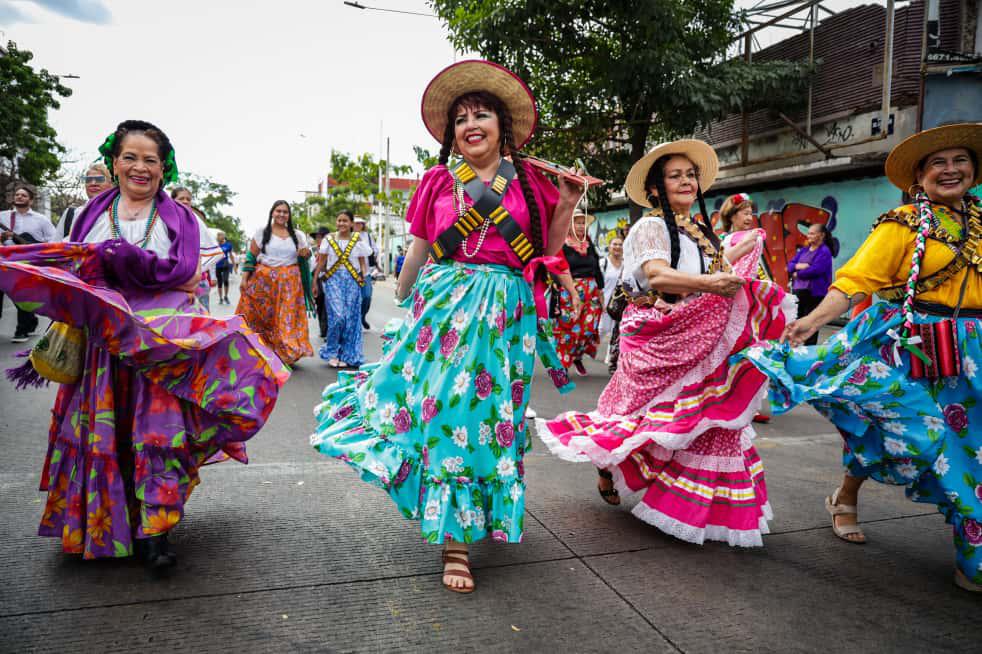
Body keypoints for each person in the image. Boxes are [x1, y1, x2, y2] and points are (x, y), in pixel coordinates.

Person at [310, 60, 579, 594]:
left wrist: (567, 204)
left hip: (507, 313)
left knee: (491, 416)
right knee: (447, 410)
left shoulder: (531, 183)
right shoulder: (437, 180)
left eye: (481, 115)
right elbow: (418, 249)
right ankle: (455, 540)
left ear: (502, 125)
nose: (470, 124)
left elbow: (546, 253)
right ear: (451, 134)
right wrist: (403, 301)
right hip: (444, 307)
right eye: (460, 119)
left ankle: (479, 513)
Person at [0, 120, 288, 568]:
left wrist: (121, 263)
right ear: (114, 164)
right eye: (130, 157)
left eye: (150, 160)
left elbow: (190, 276)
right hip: (103, 345)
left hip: (158, 346)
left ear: (163, 168)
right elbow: (68, 268)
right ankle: (102, 524)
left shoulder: (184, 219)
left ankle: (156, 532)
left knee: (157, 436)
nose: (139, 167)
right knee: (104, 432)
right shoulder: (85, 215)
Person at [739, 123, 982, 592]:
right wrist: (811, 323)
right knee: (901, 429)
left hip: (973, 354)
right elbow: (854, 282)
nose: (951, 170)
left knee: (973, 449)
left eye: (960, 161)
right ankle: (853, 496)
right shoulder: (903, 224)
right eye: (938, 163)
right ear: (919, 176)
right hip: (916, 345)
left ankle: (967, 546)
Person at [538, 139, 791, 547]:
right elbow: (657, 276)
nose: (686, 181)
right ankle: (608, 462)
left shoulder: (701, 231)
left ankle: (690, 507)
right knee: (637, 418)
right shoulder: (650, 227)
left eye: (691, 175)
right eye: (676, 176)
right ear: (656, 188)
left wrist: (746, 261)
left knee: (705, 419)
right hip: (656, 338)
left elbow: (721, 271)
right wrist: (710, 283)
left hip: (700, 336)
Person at [237, 200, 314, 366]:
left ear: (289, 215)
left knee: (286, 318)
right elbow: (251, 257)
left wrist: (305, 254)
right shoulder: (261, 233)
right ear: (272, 213)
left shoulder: (298, 235)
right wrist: (244, 278)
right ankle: (261, 350)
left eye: (285, 212)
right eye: (278, 211)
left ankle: (287, 352)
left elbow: (306, 255)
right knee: (264, 317)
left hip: (290, 284)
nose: (281, 214)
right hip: (264, 282)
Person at [720, 193, 772, 424]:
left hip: (742, 299)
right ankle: (730, 400)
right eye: (745, 212)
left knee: (747, 351)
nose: (750, 217)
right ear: (732, 215)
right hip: (727, 300)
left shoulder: (751, 237)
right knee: (731, 351)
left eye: (751, 213)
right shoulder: (727, 238)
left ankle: (747, 403)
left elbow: (753, 271)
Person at [313, 210, 370, 368]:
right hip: (333, 281)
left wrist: (364, 279)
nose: (342, 224)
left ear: (351, 223)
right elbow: (321, 262)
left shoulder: (358, 241)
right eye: (339, 220)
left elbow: (363, 263)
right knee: (338, 317)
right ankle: (332, 351)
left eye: (345, 221)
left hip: (352, 281)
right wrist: (314, 281)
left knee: (350, 319)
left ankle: (347, 353)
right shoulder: (329, 240)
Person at [1, 184, 57, 342]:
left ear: (31, 200)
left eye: (23, 195)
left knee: (22, 293)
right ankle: (30, 321)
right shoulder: (3, 217)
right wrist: (2, 238)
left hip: (27, 263)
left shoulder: (41, 220)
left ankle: (22, 329)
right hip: (4, 261)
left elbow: (53, 240)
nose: (19, 197)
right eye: (17, 194)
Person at [553, 210, 604, 376]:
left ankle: (577, 355)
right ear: (569, 225)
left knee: (588, 328)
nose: (581, 226)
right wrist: (559, 288)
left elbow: (596, 268)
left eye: (583, 223)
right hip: (570, 290)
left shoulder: (588, 245)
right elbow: (556, 268)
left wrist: (601, 291)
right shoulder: (563, 245)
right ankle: (563, 363)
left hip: (591, 290)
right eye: (577, 222)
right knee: (568, 329)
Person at [787, 222, 834, 346]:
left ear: (821, 235)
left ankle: (809, 349)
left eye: (812, 233)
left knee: (812, 322)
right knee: (796, 320)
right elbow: (790, 265)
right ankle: (793, 347)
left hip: (814, 293)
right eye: (808, 233)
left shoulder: (824, 252)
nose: (808, 236)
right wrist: (800, 266)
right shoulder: (804, 250)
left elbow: (817, 269)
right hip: (799, 291)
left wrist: (799, 273)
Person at [55, 162, 114, 239]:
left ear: (111, 184)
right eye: (88, 180)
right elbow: (55, 246)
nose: (93, 183)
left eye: (99, 179)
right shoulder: (71, 214)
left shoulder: (122, 214)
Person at [600, 235, 624, 373]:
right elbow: (598, 284)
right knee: (601, 330)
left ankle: (611, 359)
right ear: (609, 247)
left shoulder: (626, 264)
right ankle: (582, 351)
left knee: (616, 331)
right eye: (614, 244)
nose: (617, 247)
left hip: (618, 304)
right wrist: (600, 301)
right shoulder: (603, 263)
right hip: (604, 303)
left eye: (620, 244)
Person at [353, 216, 379, 330]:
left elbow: (374, 250)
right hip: (351, 272)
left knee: (367, 296)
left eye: (360, 223)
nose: (358, 225)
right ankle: (355, 321)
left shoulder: (367, 236)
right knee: (353, 299)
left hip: (366, 272)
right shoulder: (347, 236)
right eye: (355, 223)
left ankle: (362, 317)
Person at [309, 226, 330, 339]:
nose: (319, 239)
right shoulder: (313, 251)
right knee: (320, 304)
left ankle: (327, 330)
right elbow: (310, 266)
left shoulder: (332, 250)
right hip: (317, 280)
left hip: (329, 279)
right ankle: (323, 329)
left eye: (321, 237)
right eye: (317, 237)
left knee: (328, 306)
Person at [214, 231, 235, 305]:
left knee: (226, 280)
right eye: (218, 236)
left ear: (223, 236)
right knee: (219, 282)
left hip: (225, 264)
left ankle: (226, 296)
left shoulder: (228, 245)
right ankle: (220, 298)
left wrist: (234, 264)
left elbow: (231, 255)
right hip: (217, 265)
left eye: (220, 236)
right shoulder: (216, 245)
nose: (218, 237)